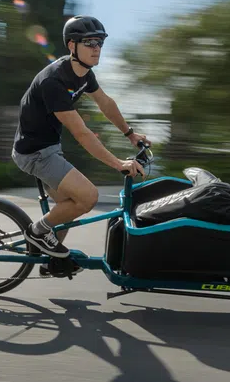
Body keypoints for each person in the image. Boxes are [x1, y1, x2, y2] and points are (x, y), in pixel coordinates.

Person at [12, 15, 149, 263]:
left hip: (49, 148)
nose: (97, 49)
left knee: (68, 206)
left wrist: (129, 133)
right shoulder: (53, 81)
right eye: (90, 43)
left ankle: (50, 260)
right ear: (72, 45)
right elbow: (82, 133)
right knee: (88, 197)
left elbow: (105, 103)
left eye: (100, 43)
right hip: (34, 153)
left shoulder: (84, 74)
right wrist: (118, 164)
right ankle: (36, 233)